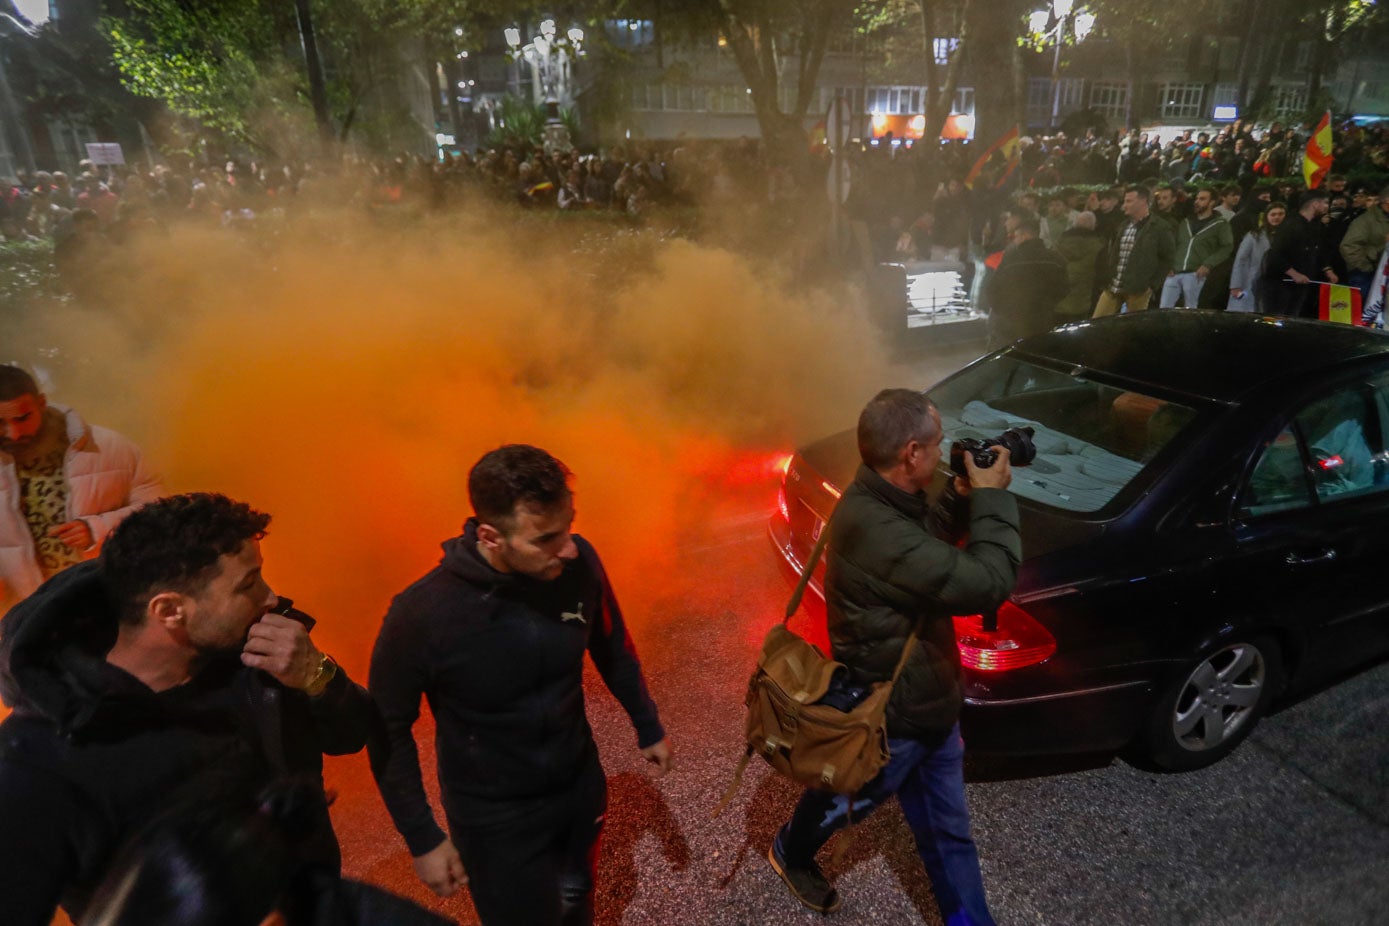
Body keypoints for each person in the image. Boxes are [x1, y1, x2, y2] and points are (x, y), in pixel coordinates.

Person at [0, 492, 374, 925]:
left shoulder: (252, 655)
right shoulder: (36, 761)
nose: (270, 598)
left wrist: (316, 675)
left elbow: (352, 733)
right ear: (170, 610)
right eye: (248, 584)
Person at [369, 444, 672, 926]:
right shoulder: (421, 614)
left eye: (569, 526)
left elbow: (612, 645)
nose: (568, 548)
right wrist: (422, 836)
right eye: (547, 538)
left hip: (578, 789)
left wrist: (647, 723)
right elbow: (386, 729)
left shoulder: (579, 564)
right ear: (490, 536)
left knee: (576, 899)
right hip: (496, 821)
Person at [767, 390, 1019, 923]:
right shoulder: (875, 528)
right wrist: (994, 498)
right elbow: (988, 583)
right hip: (891, 713)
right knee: (843, 797)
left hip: (928, 702)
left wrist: (955, 494)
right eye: (936, 443)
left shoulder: (878, 497)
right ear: (911, 452)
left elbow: (920, 544)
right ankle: (791, 849)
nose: (943, 448)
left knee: (949, 831)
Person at [0, 364, 163, 611]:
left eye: (23, 418)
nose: (13, 433)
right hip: (26, 619)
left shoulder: (109, 447)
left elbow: (161, 512)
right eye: (0, 422)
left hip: (110, 607)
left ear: (41, 403)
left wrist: (96, 529)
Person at [982, 213, 1069, 348]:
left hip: (1012, 322)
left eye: (1015, 237)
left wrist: (1004, 311)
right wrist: (1047, 305)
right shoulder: (1055, 258)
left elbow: (992, 289)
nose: (1014, 240)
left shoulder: (1011, 258)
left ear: (1025, 236)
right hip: (1042, 321)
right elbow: (1064, 288)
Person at [1093, 186, 1176, 318]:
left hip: (1138, 289)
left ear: (1143, 201)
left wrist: (1152, 285)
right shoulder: (1123, 225)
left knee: (1133, 329)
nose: (1124, 205)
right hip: (1114, 285)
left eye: (1129, 201)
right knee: (1097, 322)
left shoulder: (1160, 227)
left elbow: (1167, 258)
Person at [1263, 190, 1338, 319]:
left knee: (1292, 319)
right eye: (1325, 203)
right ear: (1315, 204)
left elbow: (1317, 250)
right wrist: (1294, 274)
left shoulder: (1314, 225)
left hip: (1300, 285)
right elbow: (1274, 256)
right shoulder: (1290, 225)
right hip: (1281, 285)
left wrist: (1327, 270)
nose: (1327, 207)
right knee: (1276, 320)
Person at [1159, 188, 1233, 308]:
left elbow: (1227, 247)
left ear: (1212, 202)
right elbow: (1174, 244)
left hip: (1195, 273)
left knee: (1192, 309)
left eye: (1202, 199)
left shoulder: (1220, 224)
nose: (1197, 202)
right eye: (1197, 198)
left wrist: (1208, 264)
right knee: (1164, 308)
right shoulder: (1186, 222)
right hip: (1174, 271)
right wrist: (1169, 264)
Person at [1229, 202, 1287, 313]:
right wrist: (1236, 284)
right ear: (1267, 216)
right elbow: (1240, 260)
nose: (1277, 217)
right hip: (1252, 282)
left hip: (1279, 284)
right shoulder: (1254, 235)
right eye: (1273, 214)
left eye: (1280, 214)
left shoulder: (1289, 236)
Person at [1339, 185, 1389, 302]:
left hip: (1382, 275)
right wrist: (1365, 267)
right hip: (1366, 275)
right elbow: (1348, 246)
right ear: (1386, 202)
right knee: (1362, 310)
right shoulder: (1365, 220)